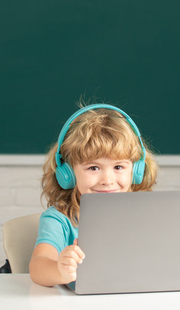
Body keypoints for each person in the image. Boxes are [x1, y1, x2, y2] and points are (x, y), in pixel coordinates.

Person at [29, 103, 159, 287]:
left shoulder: (150, 212)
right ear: (69, 174)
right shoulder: (59, 220)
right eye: (93, 167)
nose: (107, 179)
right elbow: (38, 267)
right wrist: (59, 269)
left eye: (118, 167)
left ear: (136, 170)